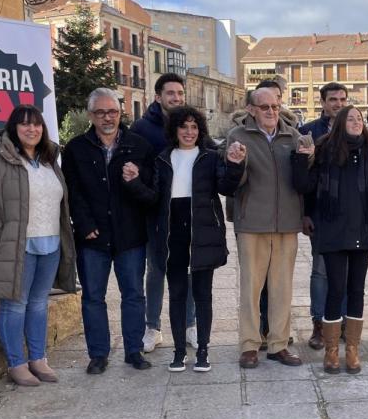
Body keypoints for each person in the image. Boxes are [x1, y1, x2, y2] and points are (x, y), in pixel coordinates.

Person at [0, 105, 77, 386]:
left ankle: (38, 359)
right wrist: (0, 238)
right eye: (25, 124)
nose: (32, 129)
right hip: (17, 246)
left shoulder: (49, 158)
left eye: (37, 124)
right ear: (13, 128)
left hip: (50, 243)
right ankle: (17, 363)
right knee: (15, 305)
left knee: (39, 304)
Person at [62, 88, 156, 373]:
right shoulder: (76, 148)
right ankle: (98, 354)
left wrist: (135, 181)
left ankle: (134, 351)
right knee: (93, 297)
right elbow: (71, 192)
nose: (107, 117)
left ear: (120, 113)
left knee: (133, 296)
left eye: (112, 112)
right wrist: (85, 223)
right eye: (101, 112)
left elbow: (151, 193)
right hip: (92, 237)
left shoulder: (139, 146)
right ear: (91, 115)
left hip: (130, 235)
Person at [292, 105, 368, 374]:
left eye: (359, 119)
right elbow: (304, 186)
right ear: (341, 123)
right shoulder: (323, 150)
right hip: (333, 229)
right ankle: (332, 351)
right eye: (351, 119)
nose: (356, 122)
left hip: (363, 229)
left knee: (357, 289)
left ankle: (352, 350)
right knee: (335, 289)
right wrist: (302, 158)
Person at [149, 107, 238, 372]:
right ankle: (178, 352)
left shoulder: (209, 158)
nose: (189, 132)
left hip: (203, 232)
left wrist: (234, 166)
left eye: (194, 127)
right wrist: (132, 182)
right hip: (172, 232)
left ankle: (203, 350)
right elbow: (152, 196)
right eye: (184, 127)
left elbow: (226, 187)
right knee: (176, 294)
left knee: (203, 295)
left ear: (200, 131)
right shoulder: (163, 159)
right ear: (174, 130)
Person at [222, 87, 305, 369]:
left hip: (286, 225)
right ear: (251, 110)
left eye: (275, 106)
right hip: (252, 224)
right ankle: (249, 345)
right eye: (265, 107)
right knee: (251, 288)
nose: (272, 111)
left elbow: (302, 179)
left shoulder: (292, 137)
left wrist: (309, 157)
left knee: (282, 289)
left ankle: (278, 345)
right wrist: (236, 162)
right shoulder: (238, 137)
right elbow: (235, 181)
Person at [131, 73, 196, 354]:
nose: (176, 98)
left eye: (180, 93)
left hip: (187, 210)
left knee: (191, 270)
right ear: (158, 97)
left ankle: (191, 326)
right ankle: (153, 328)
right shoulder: (142, 128)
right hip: (155, 211)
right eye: (170, 93)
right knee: (156, 270)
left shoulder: (191, 125)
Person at [298, 82, 349, 351]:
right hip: (320, 213)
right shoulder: (308, 132)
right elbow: (303, 177)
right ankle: (319, 323)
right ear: (323, 102)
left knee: (345, 272)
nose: (338, 104)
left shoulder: (355, 129)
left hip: (348, 217)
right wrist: (305, 213)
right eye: (333, 99)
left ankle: (340, 322)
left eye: (342, 99)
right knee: (320, 272)